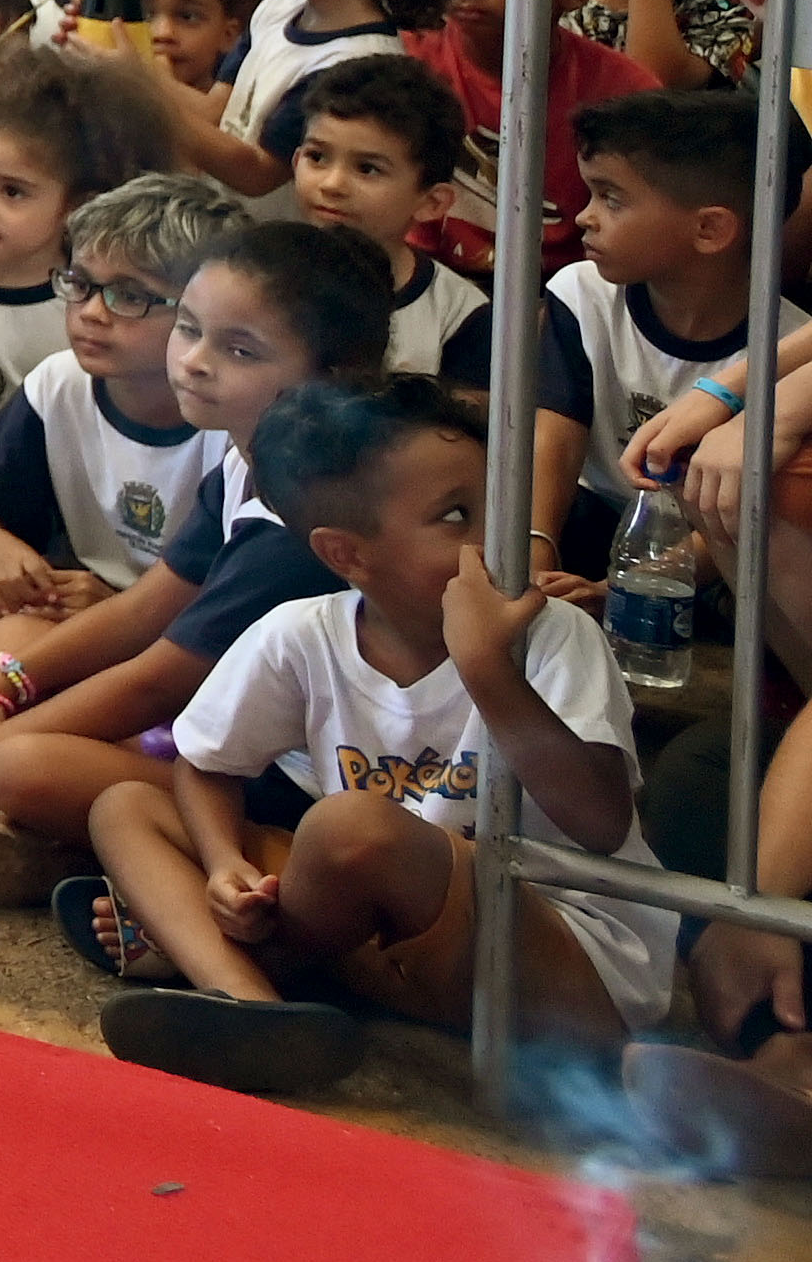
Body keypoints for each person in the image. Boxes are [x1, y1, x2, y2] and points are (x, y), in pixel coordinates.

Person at [80, 374, 667, 1096]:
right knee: (125, 806)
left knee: (350, 827)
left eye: (497, 500)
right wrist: (224, 867)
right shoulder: (302, 635)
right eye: (457, 515)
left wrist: (486, 668)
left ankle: (196, 954)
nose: (498, 533)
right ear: (346, 554)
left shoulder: (552, 637)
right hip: (383, 946)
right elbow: (205, 765)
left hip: (561, 971)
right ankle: (251, 1008)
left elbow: (603, 824)